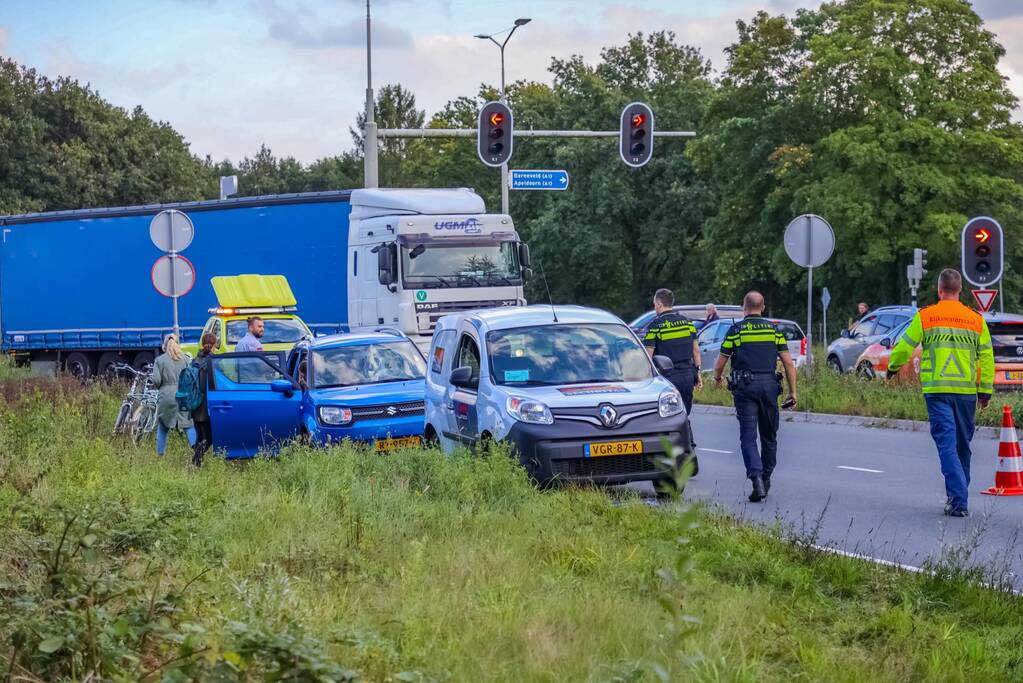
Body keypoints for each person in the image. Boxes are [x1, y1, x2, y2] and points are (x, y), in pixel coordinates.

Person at [886, 269, 993, 517]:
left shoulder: (926, 316)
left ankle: (957, 499)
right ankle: (958, 496)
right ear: (960, 290)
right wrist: (985, 392)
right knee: (962, 446)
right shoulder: (976, 319)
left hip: (937, 391)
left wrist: (892, 368)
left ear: (939, 289)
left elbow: (904, 346)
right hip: (966, 393)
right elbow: (987, 357)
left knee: (947, 444)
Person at [713, 291, 798, 502]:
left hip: (745, 389)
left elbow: (721, 362)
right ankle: (766, 477)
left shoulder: (736, 330)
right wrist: (792, 392)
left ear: (744, 307)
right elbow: (788, 363)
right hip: (769, 387)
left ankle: (756, 478)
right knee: (769, 436)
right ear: (763, 307)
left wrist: (717, 378)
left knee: (748, 437)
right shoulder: (773, 330)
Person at [644, 288, 701, 444]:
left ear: (659, 304)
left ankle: (678, 447)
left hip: (667, 379)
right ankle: (689, 445)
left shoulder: (655, 326)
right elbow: (696, 350)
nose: (654, 307)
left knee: (668, 417)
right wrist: (698, 372)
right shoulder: (687, 323)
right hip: (688, 376)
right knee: (684, 413)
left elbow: (648, 356)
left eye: (654, 304)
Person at [151, 334, 196, 456]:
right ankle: (197, 451)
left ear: (164, 346)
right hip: (183, 395)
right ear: (178, 344)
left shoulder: (160, 360)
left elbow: (156, 380)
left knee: (163, 426)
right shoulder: (186, 359)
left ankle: (160, 455)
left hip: (166, 396)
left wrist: (163, 387)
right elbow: (192, 378)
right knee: (188, 425)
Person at [189, 332, 216, 468]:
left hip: (195, 405)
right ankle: (195, 461)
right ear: (214, 345)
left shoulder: (194, 361)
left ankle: (196, 465)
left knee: (199, 435)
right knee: (209, 438)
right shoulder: (213, 362)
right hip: (206, 406)